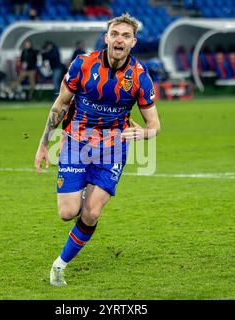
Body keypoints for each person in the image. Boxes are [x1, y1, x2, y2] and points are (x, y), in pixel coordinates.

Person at [34, 13, 161, 287]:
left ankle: (60, 265)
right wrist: (44, 144)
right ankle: (79, 188)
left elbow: (154, 125)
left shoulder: (140, 77)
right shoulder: (83, 64)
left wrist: (144, 133)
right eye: (115, 33)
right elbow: (60, 106)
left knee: (91, 213)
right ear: (106, 38)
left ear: (133, 43)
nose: (120, 39)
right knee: (67, 213)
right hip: (75, 144)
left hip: (112, 150)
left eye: (126, 36)